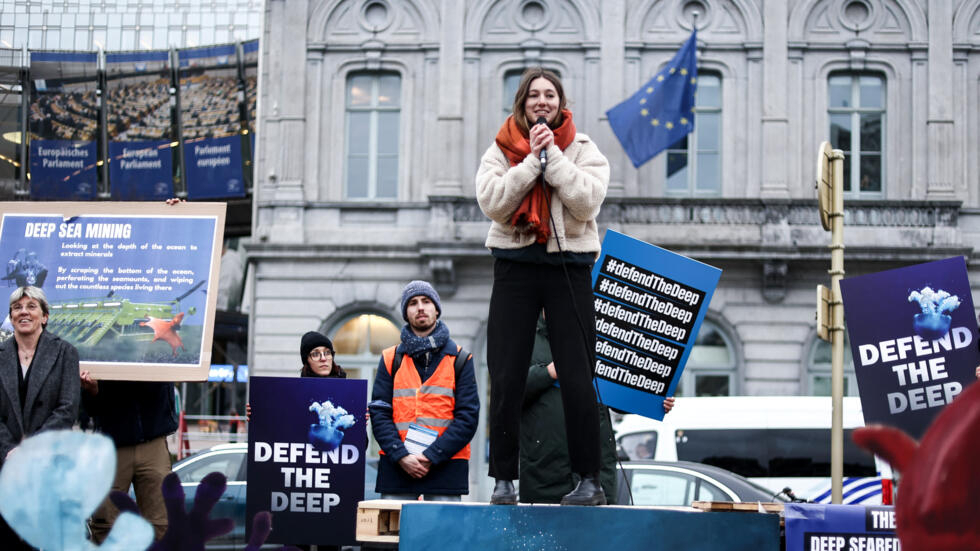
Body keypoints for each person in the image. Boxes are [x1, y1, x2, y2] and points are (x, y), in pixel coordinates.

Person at [475, 67, 609, 506]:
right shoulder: (501, 149)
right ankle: (503, 481)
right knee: (508, 373)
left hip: (569, 267)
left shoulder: (584, 148)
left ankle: (588, 480)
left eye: (550, 94)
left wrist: (556, 162)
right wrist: (532, 162)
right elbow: (493, 203)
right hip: (515, 265)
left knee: (577, 374)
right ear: (523, 102)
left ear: (560, 102)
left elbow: (588, 201)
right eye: (534, 95)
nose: (542, 101)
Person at [520, 315, 674, 504]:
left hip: (597, 479)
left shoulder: (597, 333)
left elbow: (616, 392)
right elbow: (509, 390)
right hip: (546, 473)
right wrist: (548, 372)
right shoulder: (524, 334)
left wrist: (654, 401)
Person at [368, 280, 479, 501]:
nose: (420, 307)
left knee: (444, 535)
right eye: (413, 303)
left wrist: (430, 456)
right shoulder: (390, 359)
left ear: (436, 310)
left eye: (426, 301)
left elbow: (468, 417)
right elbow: (379, 413)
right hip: (398, 468)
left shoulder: (460, 358)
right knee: (395, 535)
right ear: (406, 313)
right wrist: (401, 456)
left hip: (446, 468)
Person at [0, 286, 80, 549]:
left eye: (31, 306)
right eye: (17, 308)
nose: (24, 312)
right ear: (11, 318)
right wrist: (11, 451)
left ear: (44, 316)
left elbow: (67, 409)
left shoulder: (65, 353)